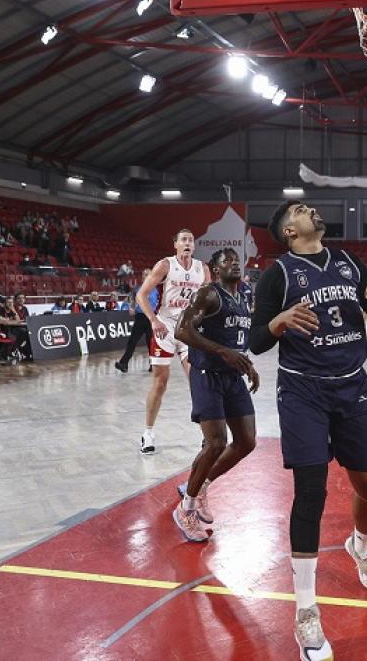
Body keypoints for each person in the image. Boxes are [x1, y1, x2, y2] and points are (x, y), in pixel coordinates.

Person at [249, 200, 367, 661]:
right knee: (311, 491)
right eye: (300, 209)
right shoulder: (280, 274)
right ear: (289, 231)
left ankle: (361, 546)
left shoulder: (349, 261)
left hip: (352, 387)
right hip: (303, 393)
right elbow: (256, 340)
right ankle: (306, 611)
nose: (309, 208)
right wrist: (280, 320)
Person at [171, 248, 259, 542]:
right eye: (226, 261)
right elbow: (182, 331)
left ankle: (201, 484)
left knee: (246, 441)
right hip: (207, 375)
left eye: (236, 259)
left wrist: (248, 365)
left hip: (233, 377)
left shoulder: (244, 296)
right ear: (215, 269)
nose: (233, 263)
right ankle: (186, 508)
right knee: (216, 443)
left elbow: (237, 339)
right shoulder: (209, 294)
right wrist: (223, 352)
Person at [135, 229, 211, 454]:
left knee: (198, 381)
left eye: (191, 240)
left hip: (189, 330)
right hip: (166, 327)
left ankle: (207, 434)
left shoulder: (202, 269)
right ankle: (148, 432)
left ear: (194, 246)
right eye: (183, 240)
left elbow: (208, 300)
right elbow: (141, 295)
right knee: (160, 383)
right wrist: (153, 320)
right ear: (175, 245)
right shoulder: (165, 265)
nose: (188, 243)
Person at [116, 268, 158, 373]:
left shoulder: (155, 290)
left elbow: (157, 303)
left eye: (147, 274)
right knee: (132, 341)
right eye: (144, 275)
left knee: (151, 343)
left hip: (150, 318)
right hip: (139, 318)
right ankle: (124, 363)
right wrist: (131, 307)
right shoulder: (137, 289)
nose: (145, 276)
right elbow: (132, 299)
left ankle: (154, 364)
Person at [13, 293, 33, 361]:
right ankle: (17, 350)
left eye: (23, 298)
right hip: (14, 328)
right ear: (15, 300)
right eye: (19, 298)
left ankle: (29, 353)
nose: (21, 300)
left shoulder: (25, 308)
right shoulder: (13, 308)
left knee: (33, 331)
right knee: (25, 332)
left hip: (23, 327)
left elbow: (27, 319)